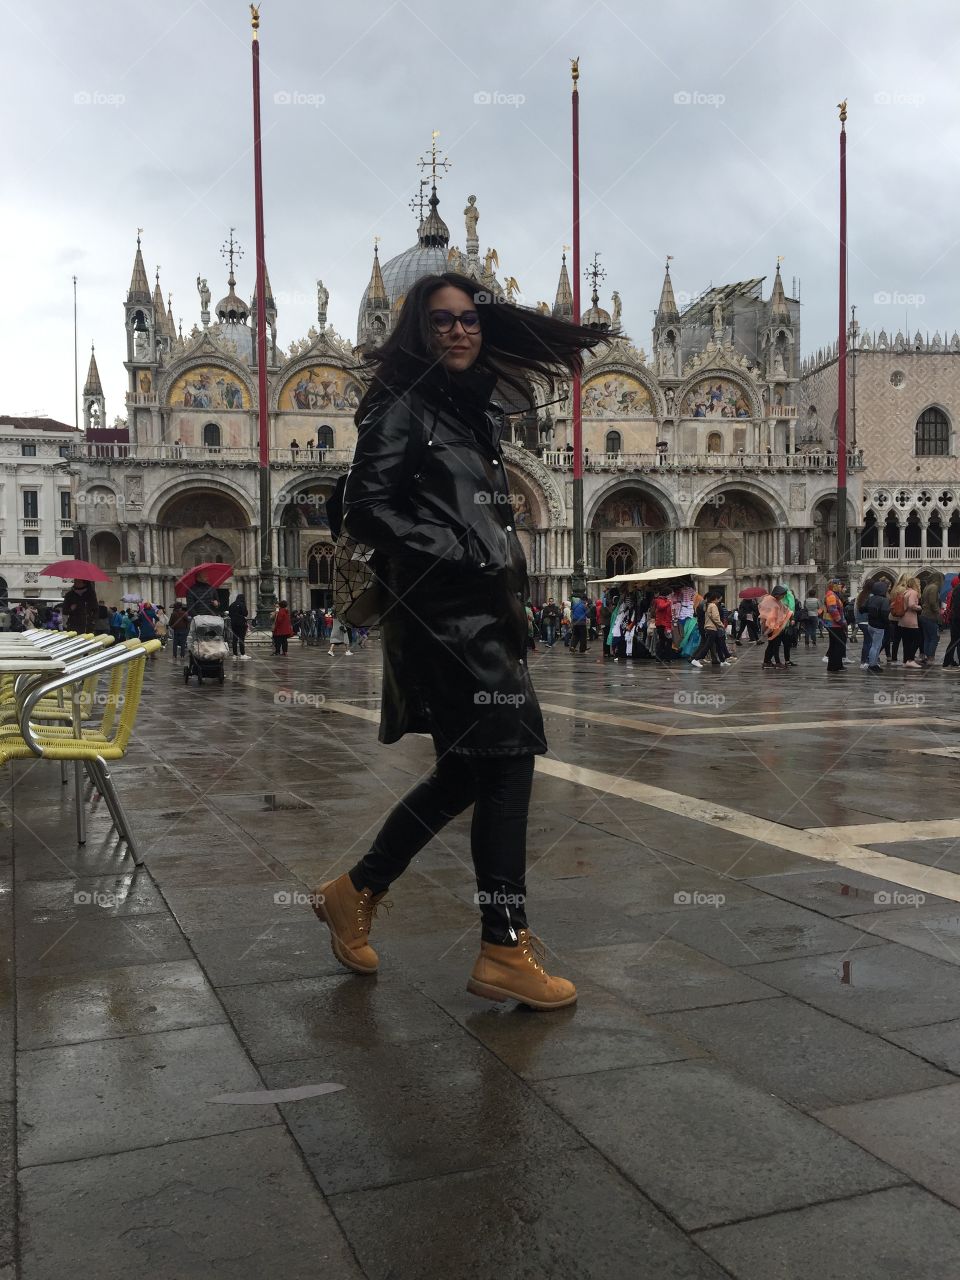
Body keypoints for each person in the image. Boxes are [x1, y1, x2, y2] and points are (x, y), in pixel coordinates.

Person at [314, 268, 612, 1010]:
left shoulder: (469, 414)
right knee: (508, 764)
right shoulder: (403, 408)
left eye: (471, 319)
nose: (459, 330)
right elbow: (365, 510)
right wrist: (463, 552)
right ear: (418, 329)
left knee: (470, 772)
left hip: (480, 618)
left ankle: (355, 891)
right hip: (443, 620)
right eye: (442, 319)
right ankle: (503, 947)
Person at [690, 590, 727, 668]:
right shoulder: (713, 606)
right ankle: (695, 659)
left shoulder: (707, 605)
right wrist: (721, 625)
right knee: (707, 645)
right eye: (719, 599)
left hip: (710, 627)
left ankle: (722, 660)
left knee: (718, 644)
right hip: (712, 628)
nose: (719, 601)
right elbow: (716, 618)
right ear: (716, 599)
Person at [865, 579, 891, 673]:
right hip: (879, 626)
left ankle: (874, 663)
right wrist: (887, 623)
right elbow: (885, 613)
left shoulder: (871, 598)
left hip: (871, 624)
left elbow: (863, 608)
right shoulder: (884, 600)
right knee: (876, 646)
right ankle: (872, 665)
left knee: (875, 645)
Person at [896, 576, 922, 667]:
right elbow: (911, 605)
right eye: (918, 583)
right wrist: (919, 607)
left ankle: (905, 661)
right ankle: (910, 659)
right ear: (914, 584)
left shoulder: (906, 592)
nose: (919, 585)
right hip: (910, 620)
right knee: (917, 639)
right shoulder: (913, 593)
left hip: (903, 620)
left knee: (906, 642)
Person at [823, 579, 848, 672]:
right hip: (834, 624)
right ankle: (835, 666)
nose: (840, 586)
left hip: (834, 624)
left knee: (835, 645)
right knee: (838, 645)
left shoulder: (833, 594)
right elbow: (833, 610)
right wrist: (841, 621)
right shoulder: (831, 595)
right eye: (839, 585)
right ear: (834, 585)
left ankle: (835, 665)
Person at [920, 576, 942, 665]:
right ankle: (930, 657)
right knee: (934, 638)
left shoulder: (927, 587)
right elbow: (933, 602)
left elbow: (922, 600)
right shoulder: (934, 587)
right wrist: (938, 612)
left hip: (924, 615)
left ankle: (926, 656)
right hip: (930, 616)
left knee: (927, 638)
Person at [941, 577, 960, 667]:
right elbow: (957, 606)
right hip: (957, 619)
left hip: (955, 618)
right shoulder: (958, 589)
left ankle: (947, 661)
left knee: (954, 641)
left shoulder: (956, 588)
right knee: (955, 641)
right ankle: (947, 661)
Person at [228, 593, 249, 660]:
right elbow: (245, 613)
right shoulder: (242, 604)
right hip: (241, 623)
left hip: (233, 623)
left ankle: (235, 654)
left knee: (235, 639)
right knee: (241, 638)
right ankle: (242, 654)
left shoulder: (232, 605)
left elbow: (230, 614)